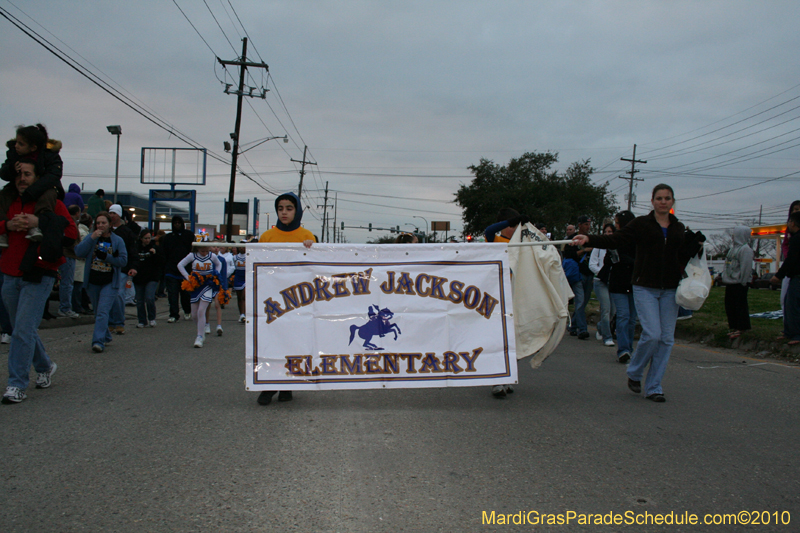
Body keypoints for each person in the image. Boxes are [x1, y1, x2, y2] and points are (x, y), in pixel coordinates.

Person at [572, 184, 705, 403]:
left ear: (673, 202)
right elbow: (616, 239)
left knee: (666, 339)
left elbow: (681, 257)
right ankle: (634, 371)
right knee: (652, 334)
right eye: (659, 198)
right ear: (652, 201)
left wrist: (696, 246)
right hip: (644, 286)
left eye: (667, 198)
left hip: (670, 288)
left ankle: (654, 386)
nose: (663, 201)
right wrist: (590, 239)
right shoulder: (642, 224)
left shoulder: (678, 228)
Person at [1, 159, 77, 403]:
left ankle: (16, 385)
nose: (22, 178)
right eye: (19, 174)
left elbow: (71, 234)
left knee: (22, 329)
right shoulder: (8, 202)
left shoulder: (50, 204)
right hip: (10, 273)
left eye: (28, 174)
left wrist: (39, 222)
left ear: (38, 177)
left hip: (40, 272)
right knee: (20, 329)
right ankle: (44, 366)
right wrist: (7, 224)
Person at [257, 192, 315, 405]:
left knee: (293, 342)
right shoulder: (266, 237)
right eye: (280, 208)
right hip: (271, 298)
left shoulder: (307, 235)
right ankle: (269, 385)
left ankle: (287, 385)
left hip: (298, 300)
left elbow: (315, 268)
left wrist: (312, 247)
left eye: (289, 208)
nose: (284, 212)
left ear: (297, 210)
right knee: (271, 342)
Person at [483, 207, 528, 398]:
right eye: (512, 225)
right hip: (496, 295)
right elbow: (489, 230)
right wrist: (510, 221)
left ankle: (508, 377)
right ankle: (496, 380)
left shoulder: (522, 243)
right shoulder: (494, 239)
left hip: (515, 294)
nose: (514, 228)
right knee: (496, 339)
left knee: (512, 340)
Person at [0, 124, 64, 246]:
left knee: (48, 195)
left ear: (33, 147)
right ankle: (3, 229)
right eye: (17, 142)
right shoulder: (14, 153)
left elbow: (53, 175)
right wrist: (12, 170)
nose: (16, 146)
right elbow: (3, 172)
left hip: (44, 187)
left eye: (21, 144)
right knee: (3, 196)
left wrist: (33, 191)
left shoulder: (49, 154)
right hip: (16, 187)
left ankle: (37, 225)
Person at [75, 211, 127, 353]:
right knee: (98, 311)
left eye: (104, 223)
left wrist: (107, 257)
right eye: (98, 223)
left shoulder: (117, 241)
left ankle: (98, 342)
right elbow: (78, 252)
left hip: (109, 282)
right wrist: (91, 238)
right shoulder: (92, 238)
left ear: (110, 224)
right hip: (93, 281)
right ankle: (106, 335)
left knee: (103, 312)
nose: (101, 225)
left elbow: (123, 261)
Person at [607, 210, 637, 364]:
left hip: (635, 283)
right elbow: (617, 259)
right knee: (623, 315)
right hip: (618, 283)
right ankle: (623, 350)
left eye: (617, 223)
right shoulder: (616, 240)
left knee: (632, 319)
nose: (616, 225)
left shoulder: (639, 239)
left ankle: (630, 349)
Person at [178, 242, 222, 348]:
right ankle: (201, 331)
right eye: (202, 251)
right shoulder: (192, 255)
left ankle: (199, 337)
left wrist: (216, 274)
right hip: (196, 285)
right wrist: (187, 277)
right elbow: (180, 265)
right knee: (194, 314)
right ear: (197, 249)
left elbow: (219, 264)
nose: (205, 253)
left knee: (201, 311)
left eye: (206, 251)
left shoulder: (212, 256)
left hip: (208, 284)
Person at [107, 204, 138, 333]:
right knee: (108, 296)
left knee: (119, 294)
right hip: (106, 268)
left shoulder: (126, 232)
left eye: (114, 213)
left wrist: (134, 267)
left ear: (119, 215)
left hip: (123, 269)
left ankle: (119, 322)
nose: (112, 215)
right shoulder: (106, 230)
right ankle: (109, 322)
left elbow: (133, 250)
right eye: (110, 213)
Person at [563, 215, 594, 339]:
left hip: (589, 272)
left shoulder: (591, 239)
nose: (588, 227)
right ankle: (582, 329)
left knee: (584, 302)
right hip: (578, 274)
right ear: (580, 225)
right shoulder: (572, 239)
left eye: (589, 224)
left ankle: (573, 325)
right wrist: (584, 250)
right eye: (585, 224)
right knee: (580, 301)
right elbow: (569, 254)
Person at [772, 211, 800, 345]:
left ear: (793, 223)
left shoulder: (796, 239)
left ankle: (797, 334)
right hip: (794, 276)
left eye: (789, 222)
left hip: (797, 276)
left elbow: (791, 259)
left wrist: (779, 275)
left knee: (794, 305)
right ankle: (789, 332)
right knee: (788, 304)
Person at [722, 226, 754, 339]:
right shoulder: (732, 249)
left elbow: (746, 267)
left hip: (740, 283)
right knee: (730, 306)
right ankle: (734, 326)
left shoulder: (746, 250)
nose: (732, 237)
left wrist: (744, 281)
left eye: (735, 234)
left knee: (740, 305)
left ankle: (742, 327)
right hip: (730, 282)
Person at [163, 216, 195, 323]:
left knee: (185, 294)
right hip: (171, 269)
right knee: (172, 294)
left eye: (179, 222)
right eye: (175, 223)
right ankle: (173, 314)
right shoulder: (167, 237)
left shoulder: (189, 235)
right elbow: (164, 253)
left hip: (185, 270)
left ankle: (187, 311)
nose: (177, 224)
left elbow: (193, 250)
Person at [589, 223, 616, 347]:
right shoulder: (598, 248)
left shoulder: (616, 247)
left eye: (611, 232)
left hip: (614, 282)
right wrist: (602, 274)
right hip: (600, 282)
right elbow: (592, 264)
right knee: (606, 309)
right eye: (606, 232)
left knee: (613, 311)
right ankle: (607, 337)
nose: (608, 234)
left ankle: (601, 327)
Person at [133, 229, 163, 328]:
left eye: (149, 238)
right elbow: (133, 260)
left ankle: (152, 318)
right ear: (141, 238)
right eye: (145, 238)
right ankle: (142, 320)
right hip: (139, 277)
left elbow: (160, 262)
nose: (147, 240)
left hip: (152, 277)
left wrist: (154, 254)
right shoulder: (136, 248)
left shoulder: (155, 247)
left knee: (149, 297)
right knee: (140, 300)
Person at [56, 205, 82, 318]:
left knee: (64, 282)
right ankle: (65, 308)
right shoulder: (70, 224)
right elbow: (72, 240)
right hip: (68, 255)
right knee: (67, 283)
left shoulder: (62, 221)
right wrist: (79, 250)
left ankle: (64, 307)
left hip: (62, 254)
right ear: (77, 213)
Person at [780, 201, 800, 315]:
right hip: (790, 269)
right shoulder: (790, 232)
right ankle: (787, 329)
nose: (797, 211)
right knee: (785, 299)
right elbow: (785, 245)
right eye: (795, 209)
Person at [72, 207, 91, 314]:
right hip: (80, 264)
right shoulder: (84, 234)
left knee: (77, 288)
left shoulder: (79, 230)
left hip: (77, 263)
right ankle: (77, 307)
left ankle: (79, 306)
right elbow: (84, 250)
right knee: (77, 289)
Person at [233, 245, 247, 323]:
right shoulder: (235, 257)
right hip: (238, 277)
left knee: (243, 296)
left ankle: (244, 314)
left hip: (246, 277)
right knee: (239, 297)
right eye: (240, 247)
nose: (242, 248)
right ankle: (241, 314)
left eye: (243, 247)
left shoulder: (249, 256)